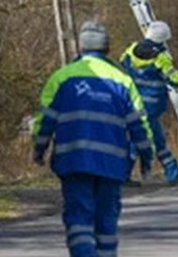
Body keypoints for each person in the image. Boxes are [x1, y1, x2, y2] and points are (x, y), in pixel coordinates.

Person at [32, 20, 154, 257]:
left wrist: (39, 149)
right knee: (107, 224)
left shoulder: (62, 78)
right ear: (107, 48)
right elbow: (140, 125)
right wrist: (147, 156)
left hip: (74, 163)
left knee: (79, 222)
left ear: (81, 46)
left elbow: (45, 120)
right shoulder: (122, 81)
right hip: (112, 165)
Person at [119, 21, 178, 186]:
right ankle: (124, 175)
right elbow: (174, 78)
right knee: (142, 139)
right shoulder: (160, 57)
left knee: (155, 137)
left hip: (134, 102)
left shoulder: (131, 50)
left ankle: (173, 171)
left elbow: (123, 62)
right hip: (153, 104)